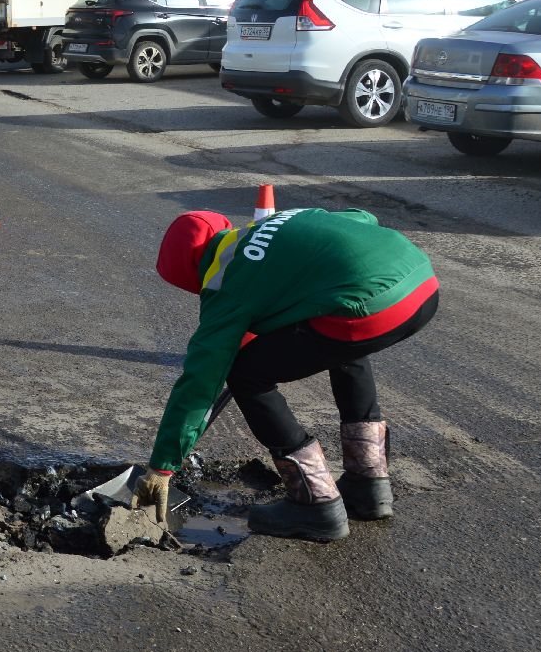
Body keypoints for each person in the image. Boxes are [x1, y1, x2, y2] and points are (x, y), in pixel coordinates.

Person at [135, 207, 439, 542]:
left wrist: (162, 465)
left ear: (188, 271)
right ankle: (368, 485)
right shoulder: (272, 223)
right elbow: (362, 217)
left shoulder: (224, 282)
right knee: (342, 341)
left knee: (246, 373)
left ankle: (315, 504)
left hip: (369, 309)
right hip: (420, 282)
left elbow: (200, 380)